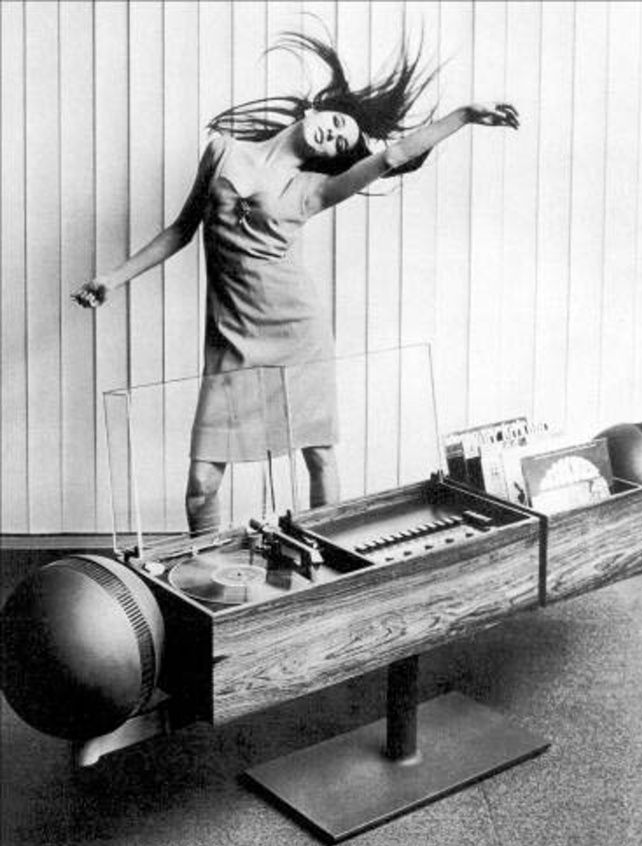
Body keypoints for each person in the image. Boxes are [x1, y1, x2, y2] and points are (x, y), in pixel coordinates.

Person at [72, 29, 518, 533]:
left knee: (320, 459)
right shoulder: (221, 151)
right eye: (338, 124)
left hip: (298, 334)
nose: (336, 136)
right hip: (232, 336)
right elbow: (181, 230)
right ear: (315, 110)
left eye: (343, 143)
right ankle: (204, 572)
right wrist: (114, 278)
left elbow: (393, 157)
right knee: (201, 485)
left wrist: (463, 115)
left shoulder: (316, 189)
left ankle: (327, 560)